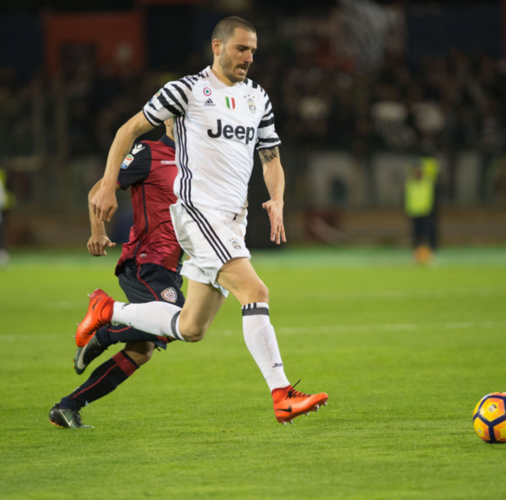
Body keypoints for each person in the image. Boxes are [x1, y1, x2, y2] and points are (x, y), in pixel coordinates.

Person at [84, 16, 328, 425]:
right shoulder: (187, 90)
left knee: (192, 326)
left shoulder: (258, 98)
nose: (249, 57)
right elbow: (128, 129)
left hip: (233, 220)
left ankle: (109, 311)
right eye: (241, 48)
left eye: (253, 50)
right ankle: (281, 394)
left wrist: (278, 199)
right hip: (198, 213)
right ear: (217, 47)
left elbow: (271, 157)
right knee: (255, 290)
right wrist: (109, 184)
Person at [49, 119, 182, 429]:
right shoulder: (148, 152)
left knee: (141, 350)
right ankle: (105, 325)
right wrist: (97, 231)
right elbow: (99, 189)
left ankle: (67, 406)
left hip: (171, 268)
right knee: (176, 322)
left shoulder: (195, 159)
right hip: (145, 263)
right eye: (179, 111)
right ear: (166, 118)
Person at [404, 156, 440, 265]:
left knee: (429, 235)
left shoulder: (429, 182)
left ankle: (430, 255)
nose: (418, 172)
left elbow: (434, 199)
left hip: (426, 213)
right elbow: (407, 198)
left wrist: (432, 211)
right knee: (416, 236)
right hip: (415, 212)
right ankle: (417, 255)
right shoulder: (410, 183)